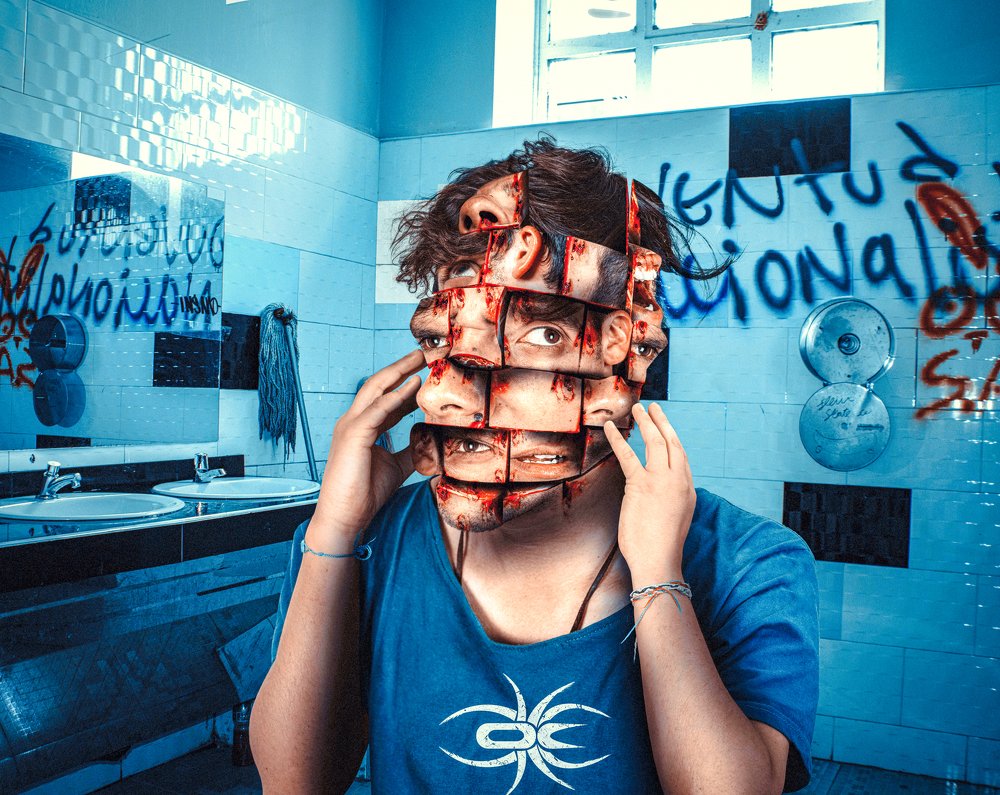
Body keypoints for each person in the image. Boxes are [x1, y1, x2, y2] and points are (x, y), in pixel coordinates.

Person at [250, 137, 819, 794]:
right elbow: (294, 782)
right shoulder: (366, 543)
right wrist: (333, 529)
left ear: (623, 351)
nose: (449, 392)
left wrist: (659, 577)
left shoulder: (749, 562)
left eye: (542, 333)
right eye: (443, 337)